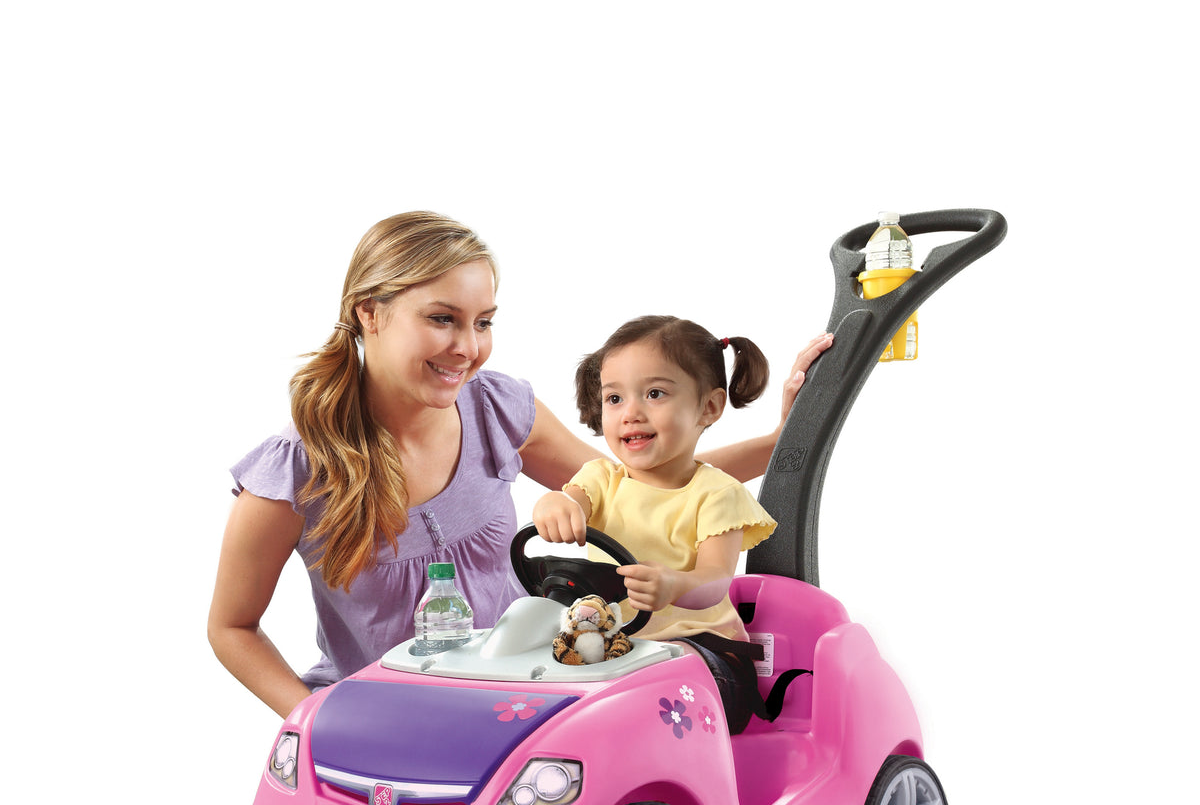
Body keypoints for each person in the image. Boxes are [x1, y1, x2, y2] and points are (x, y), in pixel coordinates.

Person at [209, 211, 832, 718]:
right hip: (386, 718)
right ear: (368, 313)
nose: (468, 348)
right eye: (442, 319)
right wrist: (313, 718)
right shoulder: (295, 470)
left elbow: (645, 483)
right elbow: (232, 627)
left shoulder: (495, 409)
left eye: (482, 323)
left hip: (520, 703)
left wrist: (782, 439)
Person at [533, 315, 792, 645]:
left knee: (664, 671)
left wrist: (675, 586)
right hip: (617, 643)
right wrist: (553, 503)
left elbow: (715, 580)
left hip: (697, 641)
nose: (630, 414)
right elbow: (571, 501)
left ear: (709, 407)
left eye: (654, 394)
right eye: (615, 399)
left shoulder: (718, 493)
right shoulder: (599, 478)